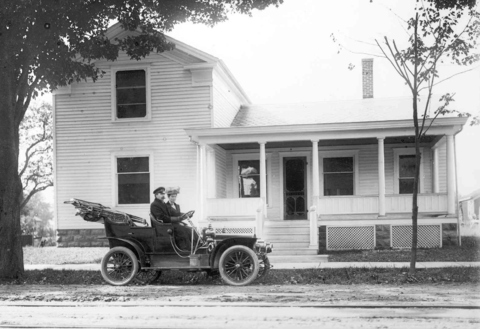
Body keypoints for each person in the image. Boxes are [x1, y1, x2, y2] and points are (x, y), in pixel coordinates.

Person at [150, 186, 196, 251]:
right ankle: (185, 249)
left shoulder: (162, 203)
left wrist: (185, 215)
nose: (163, 195)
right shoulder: (154, 204)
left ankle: (194, 247)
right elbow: (162, 218)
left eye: (163, 194)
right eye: (161, 194)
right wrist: (178, 219)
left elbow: (174, 212)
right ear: (156, 195)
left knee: (189, 229)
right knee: (182, 229)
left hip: (168, 225)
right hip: (163, 227)